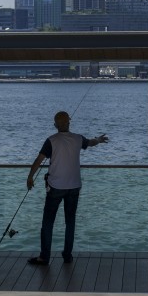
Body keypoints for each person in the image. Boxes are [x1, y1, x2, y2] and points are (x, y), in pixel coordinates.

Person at [26, 110, 108, 264]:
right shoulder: (78, 139)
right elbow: (90, 142)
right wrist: (99, 139)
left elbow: (39, 160)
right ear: (69, 123)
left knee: (48, 223)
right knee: (70, 222)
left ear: (55, 125)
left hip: (55, 187)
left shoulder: (51, 140)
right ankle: (67, 256)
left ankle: (44, 257)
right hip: (74, 187)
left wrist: (30, 177)